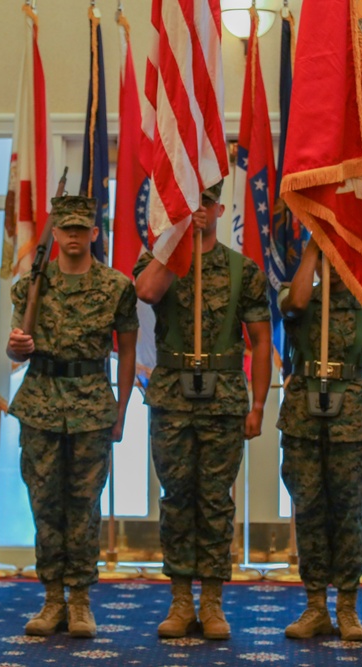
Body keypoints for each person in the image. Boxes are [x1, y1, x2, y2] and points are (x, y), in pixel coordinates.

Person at [133, 180, 271, 640]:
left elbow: (262, 341)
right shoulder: (158, 259)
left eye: (208, 204)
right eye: (193, 204)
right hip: (172, 394)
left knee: (215, 500)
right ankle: (179, 600)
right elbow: (147, 292)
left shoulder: (243, 270)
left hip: (224, 397)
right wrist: (175, 246)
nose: (201, 211)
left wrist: (259, 403)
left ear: (219, 209)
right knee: (176, 499)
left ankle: (211, 601)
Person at [7, 195, 138, 639]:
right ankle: (51, 598)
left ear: (95, 233)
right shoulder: (31, 285)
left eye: (84, 229)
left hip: (90, 405)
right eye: (68, 229)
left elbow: (127, 351)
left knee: (84, 507)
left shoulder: (116, 286)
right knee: (44, 504)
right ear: (57, 233)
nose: (76, 236)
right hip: (41, 401)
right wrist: (15, 348)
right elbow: (14, 347)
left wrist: (120, 411)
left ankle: (80, 600)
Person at [277, 240, 362, 642]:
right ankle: (315, 606)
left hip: (354, 421)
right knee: (308, 511)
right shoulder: (299, 299)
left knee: (348, 515)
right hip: (302, 420)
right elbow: (295, 301)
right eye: (331, 251)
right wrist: (312, 245)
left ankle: (347, 606)